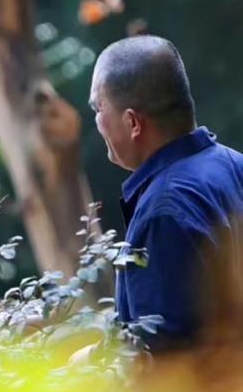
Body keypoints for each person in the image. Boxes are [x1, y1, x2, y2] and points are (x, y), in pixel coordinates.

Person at [89, 35, 243, 352]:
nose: (96, 121)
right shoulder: (235, 165)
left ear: (132, 122)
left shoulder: (164, 212)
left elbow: (164, 361)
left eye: (98, 107)